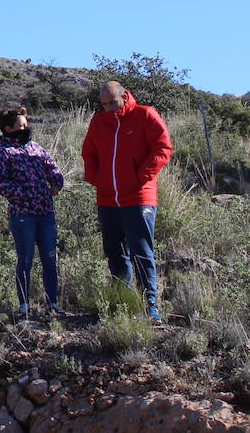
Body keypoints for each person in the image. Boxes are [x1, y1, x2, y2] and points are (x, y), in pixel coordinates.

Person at [81, 81, 174, 323]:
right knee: (115, 253)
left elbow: (163, 148)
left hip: (138, 197)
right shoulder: (99, 122)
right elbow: (89, 153)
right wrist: (96, 178)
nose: (108, 108)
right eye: (103, 104)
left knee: (142, 252)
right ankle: (125, 304)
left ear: (124, 96)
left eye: (112, 102)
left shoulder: (145, 115)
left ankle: (150, 305)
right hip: (107, 198)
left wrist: (139, 177)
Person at [0, 105, 65, 321]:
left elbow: (52, 166)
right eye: (21, 125)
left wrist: (56, 182)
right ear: (8, 128)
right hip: (22, 214)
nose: (26, 128)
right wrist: (23, 193)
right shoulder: (3, 151)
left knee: (50, 258)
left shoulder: (35, 147)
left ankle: (53, 303)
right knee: (25, 260)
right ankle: (24, 305)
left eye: (26, 124)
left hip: (46, 212)